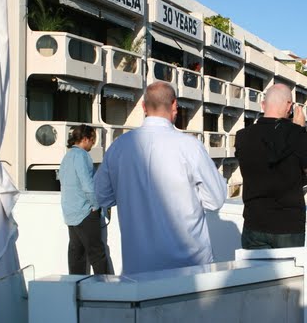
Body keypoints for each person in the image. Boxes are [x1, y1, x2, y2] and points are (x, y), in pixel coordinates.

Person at [95, 81, 226, 275]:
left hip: (139, 268)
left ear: (143, 107)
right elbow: (215, 200)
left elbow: (102, 196)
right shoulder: (189, 146)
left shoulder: (119, 147)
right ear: (174, 105)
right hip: (191, 268)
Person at [235, 84, 307, 249]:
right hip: (288, 226)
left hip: (254, 222)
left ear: (263, 105)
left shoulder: (242, 136)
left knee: (256, 275)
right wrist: (301, 129)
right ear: (289, 106)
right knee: (288, 275)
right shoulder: (296, 133)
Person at [59, 124, 110, 275]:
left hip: (70, 212)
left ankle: (76, 289)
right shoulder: (82, 156)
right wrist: (96, 205)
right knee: (97, 254)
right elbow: (88, 185)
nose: (93, 143)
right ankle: (106, 290)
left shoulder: (67, 157)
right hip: (85, 212)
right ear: (85, 139)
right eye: (93, 140)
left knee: (76, 255)